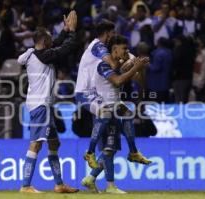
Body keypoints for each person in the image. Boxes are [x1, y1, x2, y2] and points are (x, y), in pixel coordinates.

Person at [17, 10, 78, 194]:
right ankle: (26, 185)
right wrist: (73, 32)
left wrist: (65, 31)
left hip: (44, 105)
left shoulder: (34, 53)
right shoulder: (44, 56)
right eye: (49, 39)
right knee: (36, 144)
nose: (52, 41)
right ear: (44, 42)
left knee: (54, 143)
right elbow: (66, 48)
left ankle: (59, 184)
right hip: (40, 105)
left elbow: (58, 43)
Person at [75, 21, 151, 169]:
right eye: (113, 33)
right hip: (86, 93)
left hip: (104, 97)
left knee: (127, 115)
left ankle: (133, 152)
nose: (114, 35)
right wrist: (131, 64)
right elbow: (116, 73)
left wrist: (138, 68)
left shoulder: (116, 53)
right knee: (106, 117)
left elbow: (141, 83)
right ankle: (89, 152)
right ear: (107, 33)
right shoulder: (99, 48)